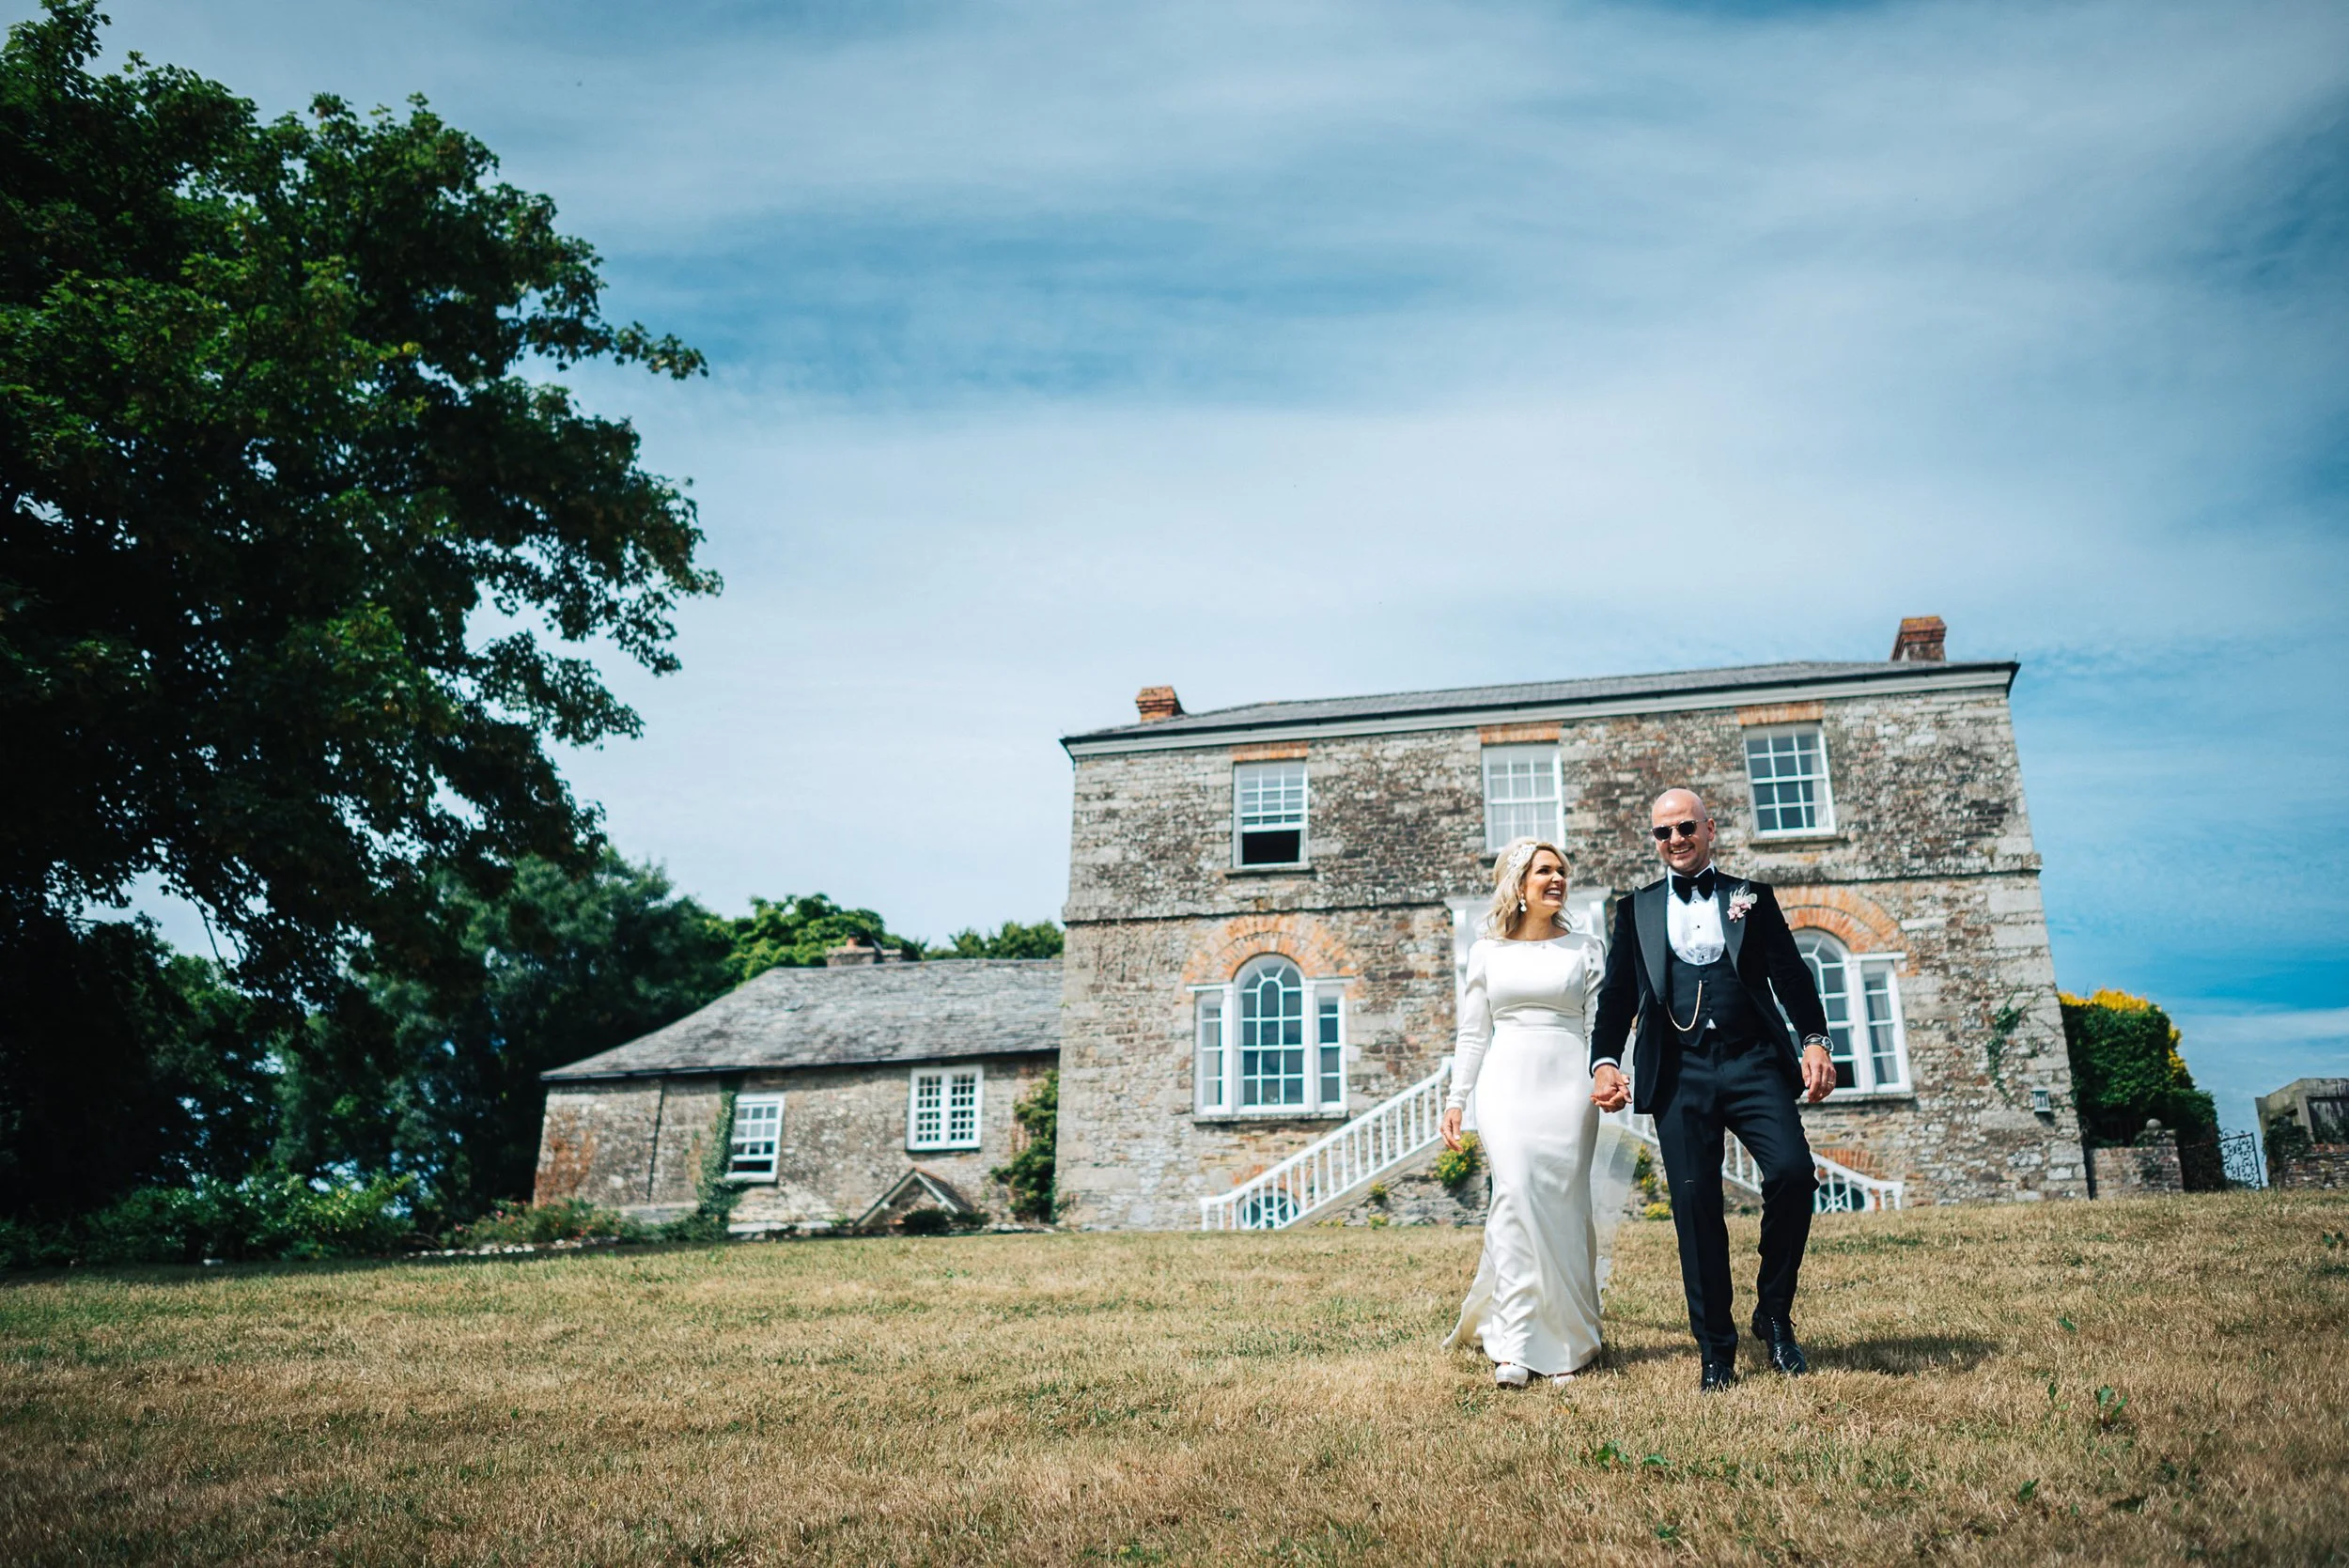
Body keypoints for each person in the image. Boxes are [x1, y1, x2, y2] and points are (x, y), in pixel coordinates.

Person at [1587, 787, 1839, 1392]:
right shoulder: (1636, 909)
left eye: (1685, 827)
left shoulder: (1752, 898)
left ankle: (1774, 1313)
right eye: (1662, 832)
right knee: (1696, 1210)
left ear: (1709, 829)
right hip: (1679, 1072)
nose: (1675, 840)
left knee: (1791, 1173)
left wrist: (1814, 1040)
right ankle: (1715, 1350)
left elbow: (1793, 978)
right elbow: (1618, 997)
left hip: (1753, 1061)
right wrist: (1603, 1062)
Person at [1439, 839, 1613, 1389]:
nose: (1557, 879)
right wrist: (1456, 1098)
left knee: (1562, 1204)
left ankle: (1568, 1341)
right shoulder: (1486, 952)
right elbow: (1473, 1033)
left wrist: (1607, 1075)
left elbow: (1597, 1027)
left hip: (1568, 1086)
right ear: (1518, 883)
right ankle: (1512, 1341)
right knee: (1513, 1195)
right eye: (1544, 871)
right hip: (1505, 1084)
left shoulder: (1585, 948)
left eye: (1561, 871)